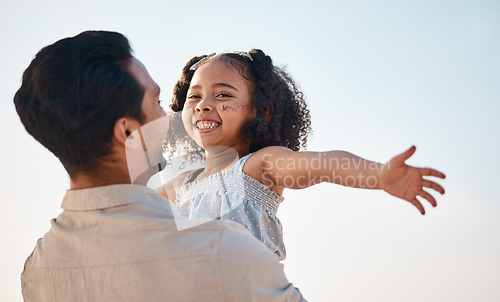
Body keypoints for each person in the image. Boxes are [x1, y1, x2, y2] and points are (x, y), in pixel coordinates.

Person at [15, 31, 329, 302]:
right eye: (155, 103)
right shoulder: (225, 251)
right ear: (127, 132)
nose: (170, 118)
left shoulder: (37, 272)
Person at [158, 50, 446, 260]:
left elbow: (323, 164)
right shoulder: (180, 183)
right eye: (194, 96)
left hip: (250, 301)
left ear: (259, 110)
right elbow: (126, 205)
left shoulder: (257, 165)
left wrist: (378, 175)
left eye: (223, 95)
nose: (203, 105)